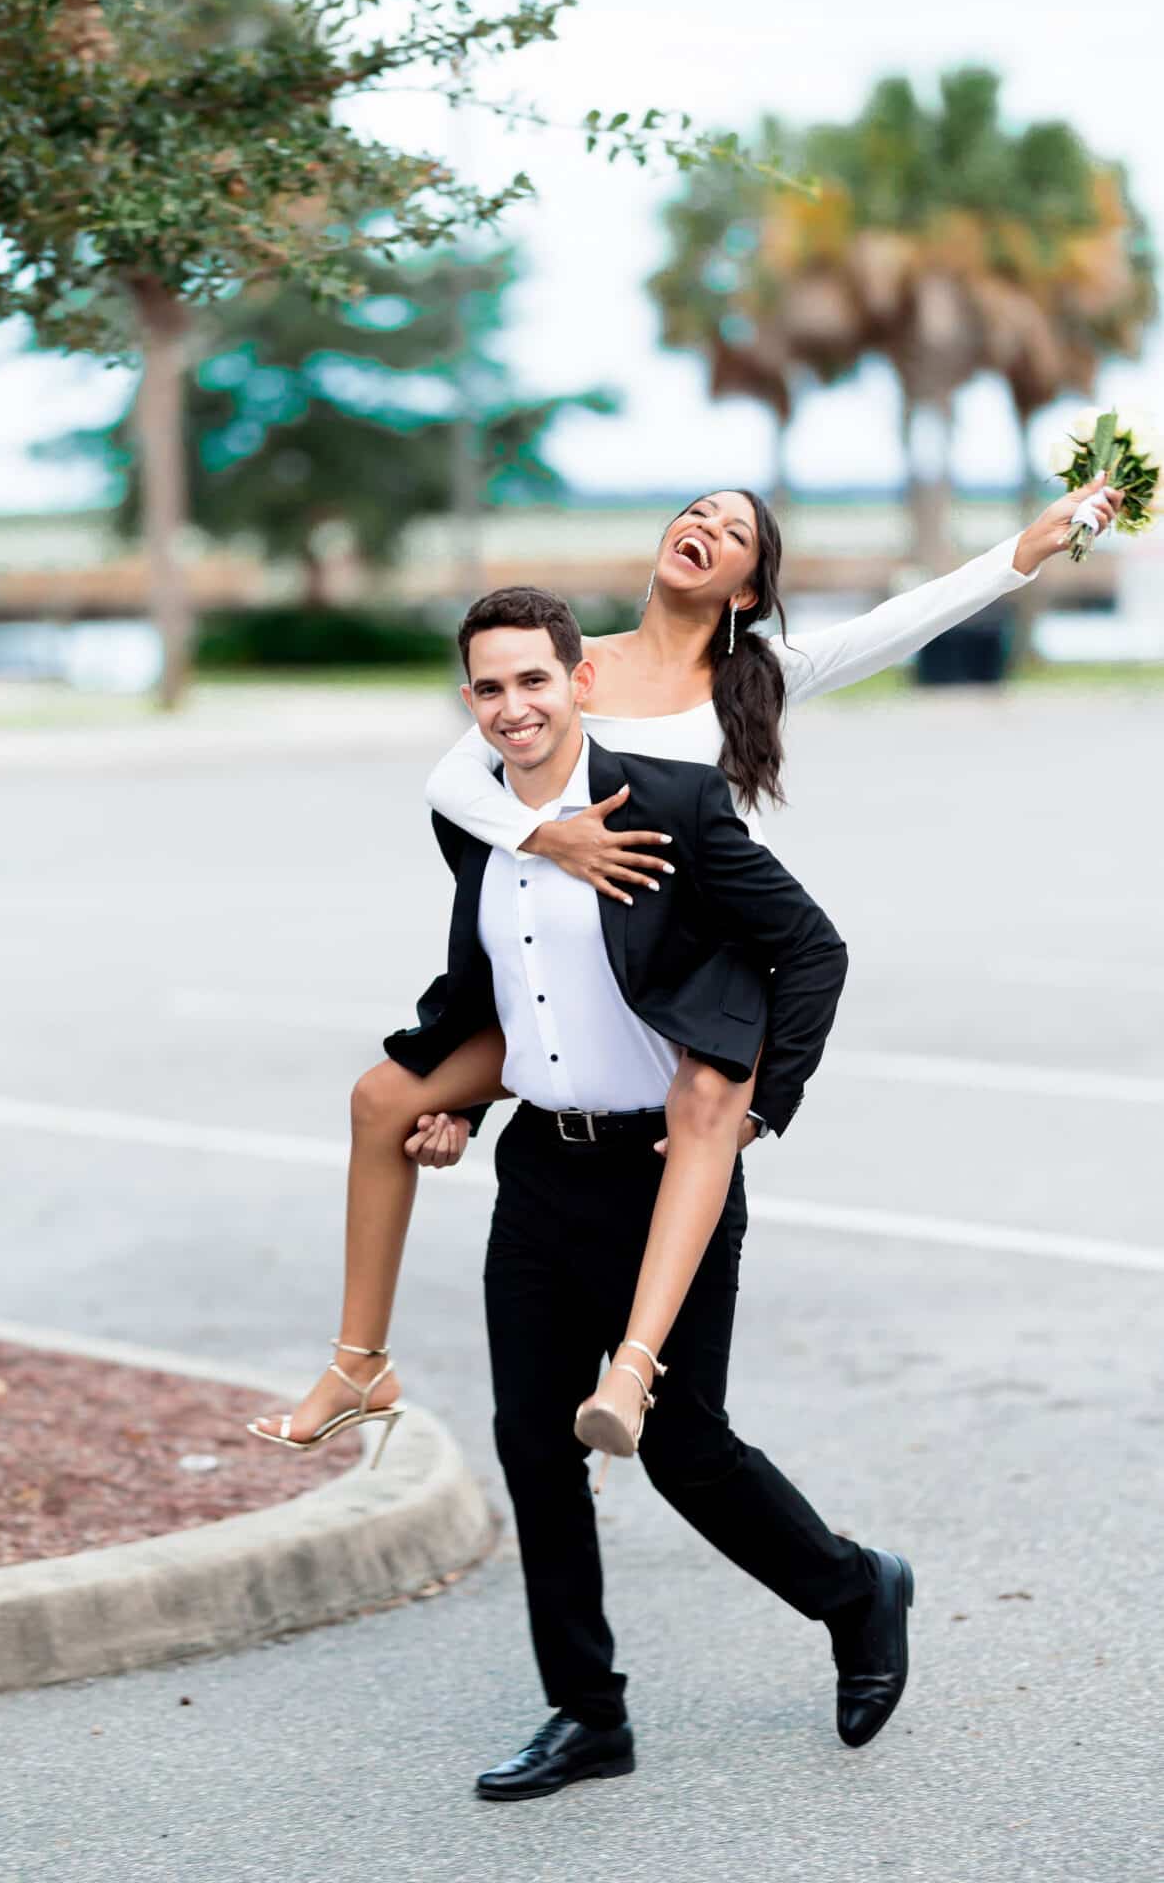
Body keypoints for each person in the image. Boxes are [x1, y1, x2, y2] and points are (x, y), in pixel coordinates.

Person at [251, 472, 1122, 1458]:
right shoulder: (573, 668)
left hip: (692, 975)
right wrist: (548, 838)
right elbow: (451, 781)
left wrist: (1034, 546)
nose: (705, 526)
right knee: (381, 1099)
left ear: (747, 586)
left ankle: (632, 1371)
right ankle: (359, 1360)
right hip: (570, 971)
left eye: (734, 529)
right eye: (695, 511)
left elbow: (904, 621)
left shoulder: (760, 677)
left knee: (707, 1106)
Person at [389, 582, 910, 1795]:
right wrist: (457, 1101)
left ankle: (854, 1587)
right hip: (542, 1174)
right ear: (469, 701)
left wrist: (756, 1109)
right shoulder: (479, 824)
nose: (513, 705)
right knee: (533, 1444)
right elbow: (495, 983)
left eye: (533, 679)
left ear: (579, 681)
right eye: (489, 686)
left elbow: (810, 946)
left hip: (664, 1169)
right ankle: (589, 1714)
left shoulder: (668, 796)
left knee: (684, 1444)